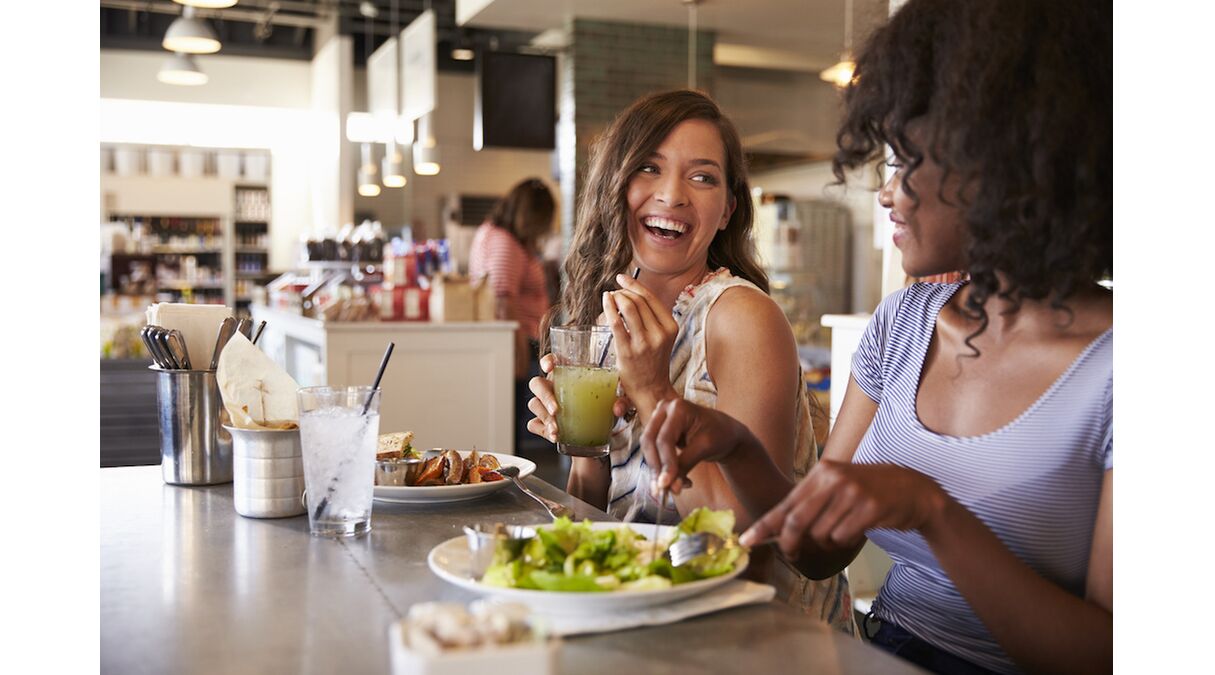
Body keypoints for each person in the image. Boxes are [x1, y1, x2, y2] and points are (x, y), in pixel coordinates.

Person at [638, 1, 1112, 673]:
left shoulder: (1119, 366)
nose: (885, 194)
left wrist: (931, 510)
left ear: (1005, 161)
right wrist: (737, 445)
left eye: (903, 161)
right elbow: (815, 549)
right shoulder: (903, 322)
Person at [525, 89, 855, 634]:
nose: (672, 195)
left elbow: (747, 541)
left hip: (762, 634)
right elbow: (603, 517)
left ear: (727, 210)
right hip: (650, 618)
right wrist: (585, 444)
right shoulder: (607, 321)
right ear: (617, 186)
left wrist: (655, 393)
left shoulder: (742, 317)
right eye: (649, 168)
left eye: (702, 177)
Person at [468, 178, 556, 450]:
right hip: (518, 344)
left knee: (514, 420)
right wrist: (518, 354)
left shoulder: (495, 235)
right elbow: (505, 301)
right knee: (514, 423)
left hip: (518, 342)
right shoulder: (505, 242)